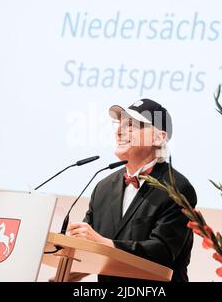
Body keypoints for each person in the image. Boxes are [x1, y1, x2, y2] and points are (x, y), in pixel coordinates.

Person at [67, 98, 197, 282]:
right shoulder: (103, 187)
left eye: (131, 125)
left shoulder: (178, 189)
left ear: (158, 137)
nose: (119, 131)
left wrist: (104, 244)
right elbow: (89, 248)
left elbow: (162, 252)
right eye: (119, 124)